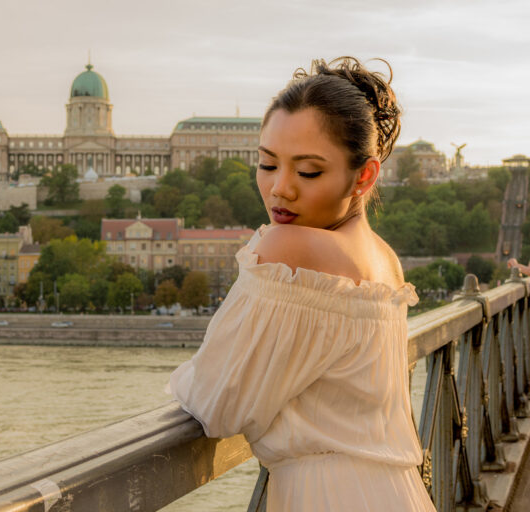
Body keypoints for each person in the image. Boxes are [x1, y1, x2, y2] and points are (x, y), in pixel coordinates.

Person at [169, 57, 435, 511]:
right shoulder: (385, 260)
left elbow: (216, 403)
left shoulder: (291, 248)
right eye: (267, 164)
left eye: (307, 171)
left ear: (364, 175)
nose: (279, 189)